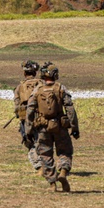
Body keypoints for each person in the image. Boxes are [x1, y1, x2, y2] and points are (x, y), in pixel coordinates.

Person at [26, 64, 79, 192]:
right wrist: (74, 127)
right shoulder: (60, 88)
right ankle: (63, 172)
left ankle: (52, 184)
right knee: (65, 151)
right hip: (60, 127)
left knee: (45, 154)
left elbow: (30, 110)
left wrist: (28, 130)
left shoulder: (37, 90)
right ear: (55, 75)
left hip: (43, 128)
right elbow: (70, 109)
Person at [12, 60, 43, 173]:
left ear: (24, 73)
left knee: (30, 143)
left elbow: (16, 105)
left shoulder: (20, 87)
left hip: (26, 120)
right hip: (43, 118)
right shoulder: (43, 85)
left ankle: (39, 167)